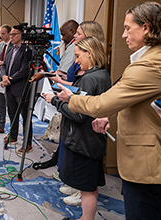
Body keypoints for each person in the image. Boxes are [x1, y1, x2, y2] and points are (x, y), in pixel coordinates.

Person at [58, 2, 161, 220]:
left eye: (127, 28)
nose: (123, 35)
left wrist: (71, 98)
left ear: (146, 28)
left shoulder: (150, 65)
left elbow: (102, 103)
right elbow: (138, 105)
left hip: (147, 162)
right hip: (151, 157)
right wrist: (109, 118)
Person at [42, 37, 111, 220]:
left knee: (87, 188)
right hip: (92, 141)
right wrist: (70, 98)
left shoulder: (90, 79)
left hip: (84, 141)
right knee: (90, 186)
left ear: (90, 53)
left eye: (79, 56)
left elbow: (79, 114)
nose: (76, 61)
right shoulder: (101, 75)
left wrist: (56, 101)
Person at [1, 26, 33, 153]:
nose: (11, 37)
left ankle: (27, 143)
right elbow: (3, 65)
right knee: (12, 114)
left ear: (21, 35)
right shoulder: (10, 49)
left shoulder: (27, 50)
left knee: (25, 116)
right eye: (11, 34)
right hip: (9, 87)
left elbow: (25, 69)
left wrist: (10, 79)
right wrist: (4, 76)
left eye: (14, 34)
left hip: (20, 87)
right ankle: (13, 137)